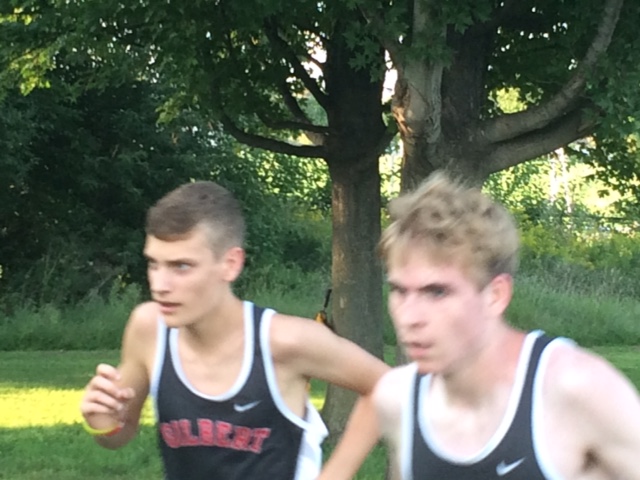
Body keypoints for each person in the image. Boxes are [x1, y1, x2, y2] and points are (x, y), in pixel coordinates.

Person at [79, 180, 389, 480]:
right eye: (153, 264)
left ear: (231, 263)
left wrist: (335, 475)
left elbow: (391, 386)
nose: (160, 285)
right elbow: (118, 434)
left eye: (181, 266)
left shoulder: (285, 341)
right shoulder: (149, 329)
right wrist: (103, 420)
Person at [372, 172, 640, 479]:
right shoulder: (397, 400)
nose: (409, 316)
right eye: (399, 291)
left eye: (437, 292)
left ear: (495, 295)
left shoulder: (576, 388)